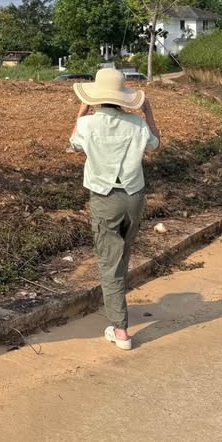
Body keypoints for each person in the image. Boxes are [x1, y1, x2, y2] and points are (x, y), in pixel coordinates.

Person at [69, 67, 161, 351]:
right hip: (134, 196)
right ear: (123, 97)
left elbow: (73, 143)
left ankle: (120, 330)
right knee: (122, 256)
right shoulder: (137, 124)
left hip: (105, 197)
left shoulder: (88, 124)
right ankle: (118, 308)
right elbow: (155, 144)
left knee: (110, 263)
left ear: (96, 97)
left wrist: (82, 111)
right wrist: (148, 112)